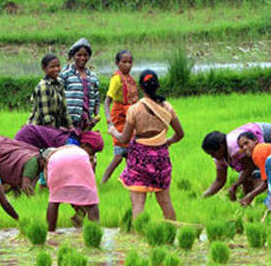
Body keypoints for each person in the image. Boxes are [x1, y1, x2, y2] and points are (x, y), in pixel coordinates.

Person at [108, 70, 184, 220]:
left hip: (139, 159)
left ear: (141, 88)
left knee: (138, 203)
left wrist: (112, 131)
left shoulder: (135, 109)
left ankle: (139, 236)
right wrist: (167, 141)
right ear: (158, 86)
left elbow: (123, 139)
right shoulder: (167, 107)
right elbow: (180, 134)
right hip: (161, 158)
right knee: (165, 202)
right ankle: (171, 233)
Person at [201, 121, 271, 200]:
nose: (212, 157)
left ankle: (265, 200)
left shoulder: (235, 147)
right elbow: (220, 180)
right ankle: (250, 204)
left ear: (221, 147)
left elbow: (250, 167)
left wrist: (235, 185)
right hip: (253, 144)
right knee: (246, 179)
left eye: (213, 153)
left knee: (258, 174)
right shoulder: (219, 157)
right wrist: (203, 198)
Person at [44, 144, 101, 231]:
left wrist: (53, 191)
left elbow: (49, 181)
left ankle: (50, 231)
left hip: (57, 162)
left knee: (54, 200)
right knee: (91, 202)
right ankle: (95, 232)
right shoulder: (78, 150)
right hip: (80, 158)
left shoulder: (52, 156)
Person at [101, 50, 138, 184]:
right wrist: (109, 121)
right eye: (124, 62)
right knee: (119, 154)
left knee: (132, 152)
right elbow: (107, 101)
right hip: (119, 117)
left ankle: (131, 179)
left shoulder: (130, 80)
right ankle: (103, 181)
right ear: (117, 63)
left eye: (130, 62)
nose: (127, 65)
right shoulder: (116, 79)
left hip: (130, 117)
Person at [60, 38, 100, 131]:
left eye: (85, 55)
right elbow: (57, 95)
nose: (82, 58)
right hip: (68, 119)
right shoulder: (66, 73)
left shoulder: (92, 77)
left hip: (86, 120)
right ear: (73, 56)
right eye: (79, 55)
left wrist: (96, 116)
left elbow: (96, 99)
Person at [28, 54, 72, 129]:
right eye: (52, 67)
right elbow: (46, 117)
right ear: (44, 68)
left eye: (58, 66)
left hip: (53, 128)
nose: (56, 69)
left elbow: (65, 111)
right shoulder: (44, 86)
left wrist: (71, 127)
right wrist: (56, 132)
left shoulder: (59, 84)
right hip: (39, 129)